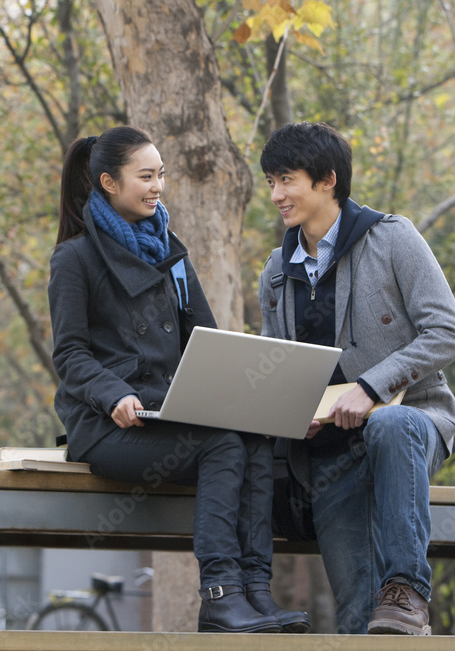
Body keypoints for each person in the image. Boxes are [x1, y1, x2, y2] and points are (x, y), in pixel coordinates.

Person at [49, 125, 309, 634]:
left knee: (253, 435)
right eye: (145, 176)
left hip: (170, 408)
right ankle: (218, 594)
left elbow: (206, 340)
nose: (158, 186)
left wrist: (250, 391)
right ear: (108, 182)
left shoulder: (170, 252)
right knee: (222, 445)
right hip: (111, 425)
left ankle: (255, 592)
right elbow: (71, 353)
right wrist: (113, 394)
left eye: (161, 175)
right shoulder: (74, 258)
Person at [257, 121, 455, 635]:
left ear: (327, 179)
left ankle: (408, 591)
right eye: (270, 183)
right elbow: (277, 370)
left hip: (412, 423)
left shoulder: (394, 239)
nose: (277, 195)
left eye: (287, 180)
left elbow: (448, 333)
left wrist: (372, 387)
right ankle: (394, 616)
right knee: (360, 622)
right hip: (327, 457)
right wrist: (288, 415)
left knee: (389, 428)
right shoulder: (275, 273)